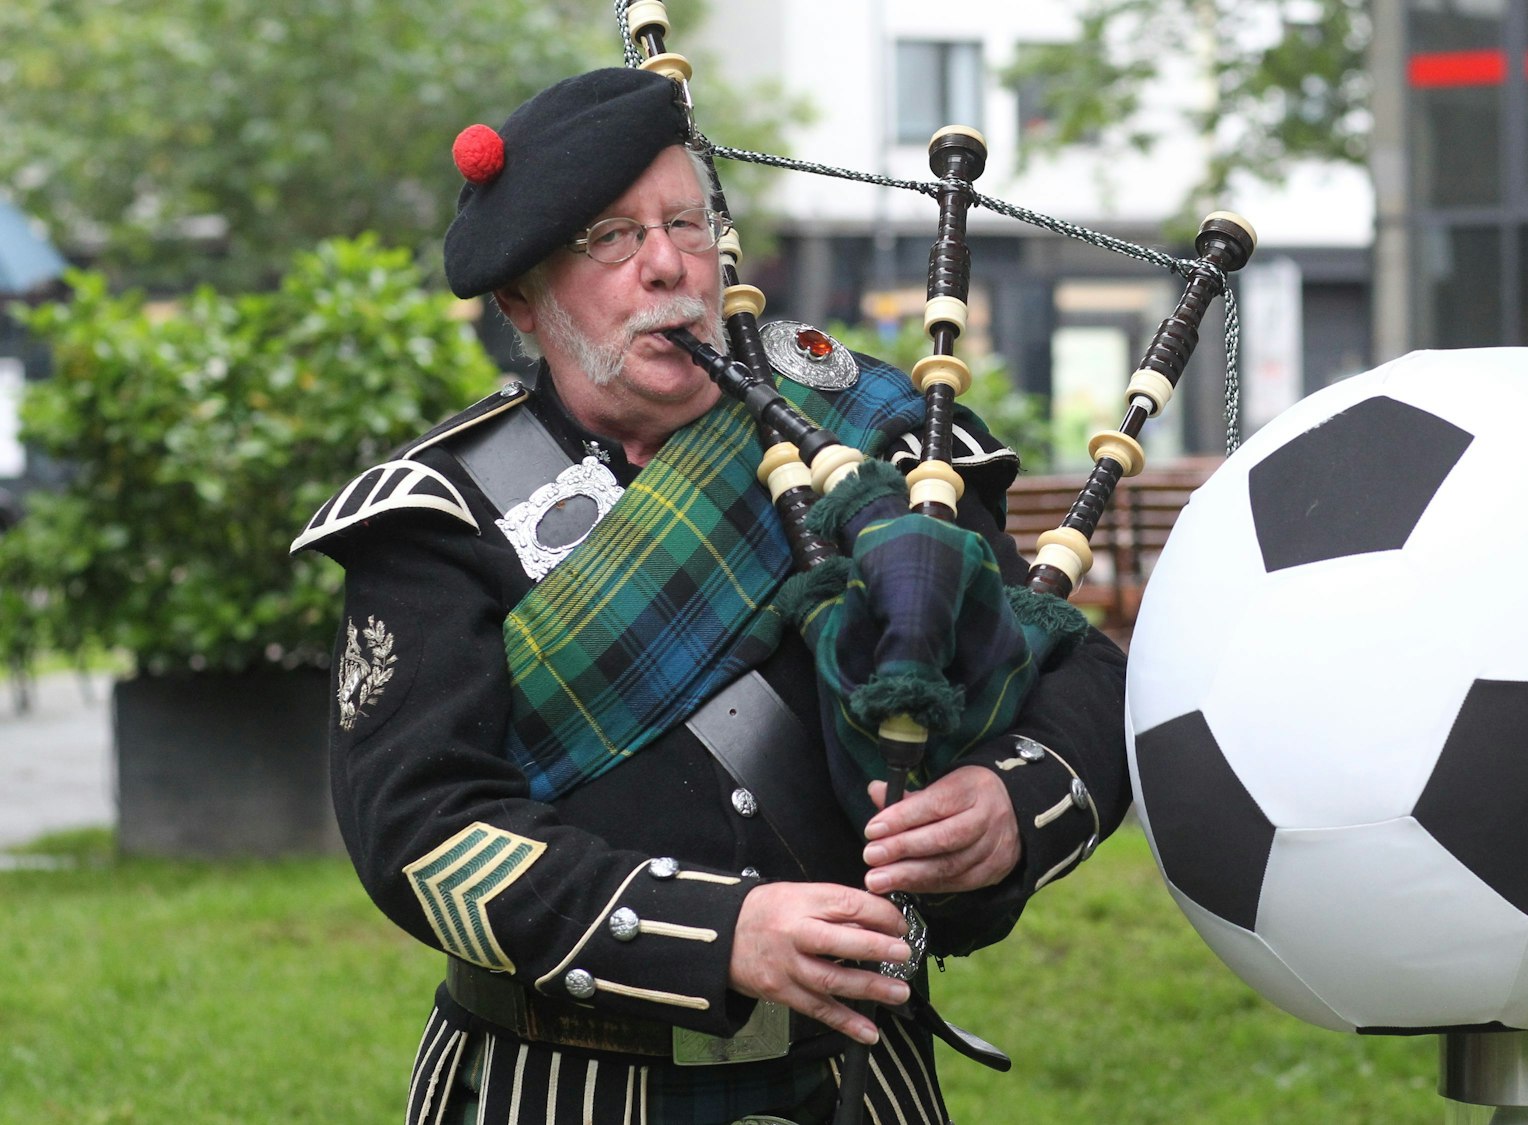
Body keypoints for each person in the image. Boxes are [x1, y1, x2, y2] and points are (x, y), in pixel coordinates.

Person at [292, 68, 1129, 1125]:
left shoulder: (862, 437)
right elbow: (422, 834)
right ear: (521, 298)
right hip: (560, 1089)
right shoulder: (440, 517)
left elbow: (1083, 675)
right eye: (610, 237)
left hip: (852, 1080)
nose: (668, 265)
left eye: (685, 222)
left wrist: (1009, 804)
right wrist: (716, 931)